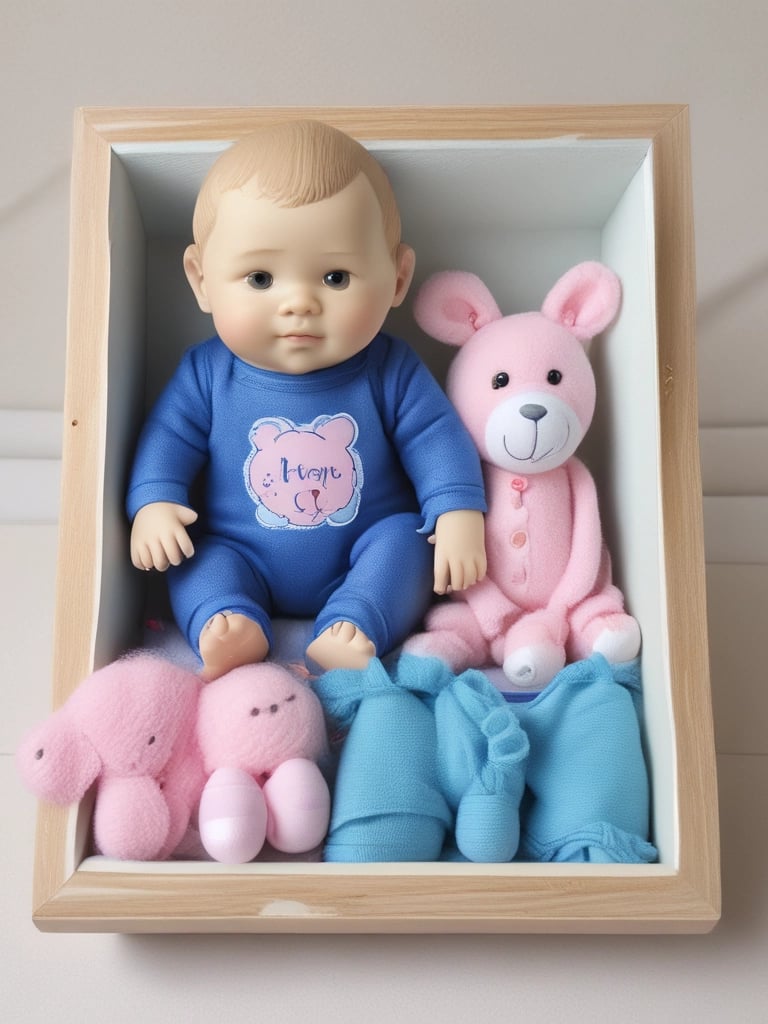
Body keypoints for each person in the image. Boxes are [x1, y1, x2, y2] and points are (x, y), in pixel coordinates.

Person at [127, 119, 487, 679]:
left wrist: (458, 510)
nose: (299, 302)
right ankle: (226, 621)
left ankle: (355, 623)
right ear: (201, 281)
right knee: (196, 558)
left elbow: (435, 436)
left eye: (336, 277)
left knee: (404, 542)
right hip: (239, 550)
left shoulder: (389, 369)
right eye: (261, 278)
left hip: (362, 549)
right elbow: (166, 438)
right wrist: (153, 503)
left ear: (397, 278)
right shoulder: (206, 373)